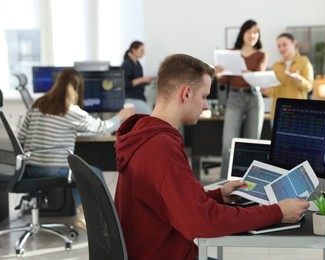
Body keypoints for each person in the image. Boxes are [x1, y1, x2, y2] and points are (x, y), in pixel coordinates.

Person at [114, 53, 309, 259]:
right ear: (187, 93)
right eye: (205, 96)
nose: (206, 106)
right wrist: (277, 212)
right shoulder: (162, 149)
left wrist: (218, 196)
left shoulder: (144, 135)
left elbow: (171, 200)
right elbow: (203, 221)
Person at [17, 68, 134, 230]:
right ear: (78, 89)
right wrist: (121, 116)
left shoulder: (37, 104)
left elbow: (21, 138)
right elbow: (102, 128)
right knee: (92, 173)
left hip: (30, 169)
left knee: (77, 173)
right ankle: (103, 220)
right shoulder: (72, 111)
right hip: (54, 170)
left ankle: (84, 216)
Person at [216, 19, 267, 180]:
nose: (253, 35)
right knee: (228, 144)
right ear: (242, 33)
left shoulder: (261, 54)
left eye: (256, 32)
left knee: (253, 144)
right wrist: (218, 74)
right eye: (249, 31)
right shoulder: (231, 53)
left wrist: (249, 75)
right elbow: (224, 80)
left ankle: (251, 183)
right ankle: (224, 183)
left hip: (254, 97)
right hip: (235, 97)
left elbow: (259, 75)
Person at [261, 33, 314, 120]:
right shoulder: (276, 65)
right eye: (279, 46)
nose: (281, 48)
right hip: (278, 113)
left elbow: (309, 87)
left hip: (297, 113)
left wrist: (299, 80)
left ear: (294, 43)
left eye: (284, 45)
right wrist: (267, 91)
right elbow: (274, 90)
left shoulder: (304, 62)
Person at [121, 40, 156, 114]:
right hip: (131, 98)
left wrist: (147, 80)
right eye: (142, 50)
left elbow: (138, 81)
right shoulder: (126, 64)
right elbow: (126, 84)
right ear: (134, 50)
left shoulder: (138, 64)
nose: (144, 53)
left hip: (140, 97)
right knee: (150, 115)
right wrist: (142, 79)